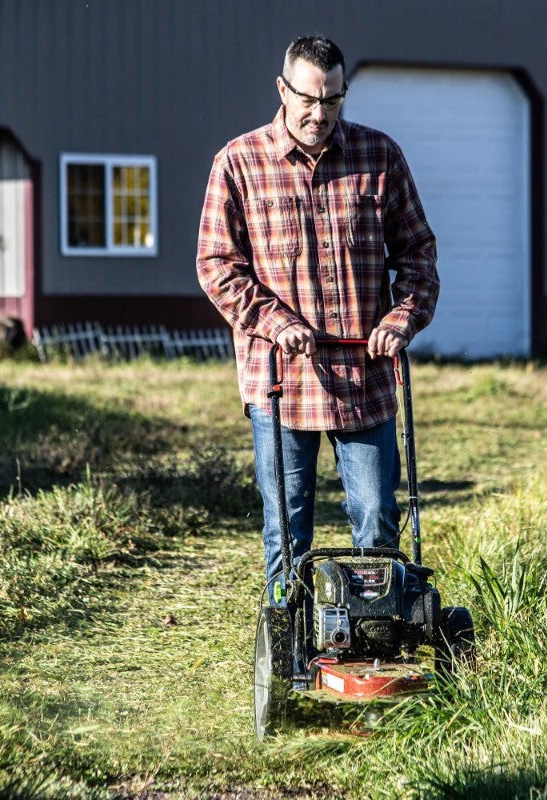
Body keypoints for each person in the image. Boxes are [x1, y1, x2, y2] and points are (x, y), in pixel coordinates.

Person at [196, 35, 439, 594]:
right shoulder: (238, 162)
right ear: (283, 90)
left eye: (332, 100)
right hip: (280, 381)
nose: (319, 113)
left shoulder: (380, 157)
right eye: (308, 98)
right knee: (288, 529)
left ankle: (373, 637)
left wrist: (403, 317)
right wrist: (275, 321)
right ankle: (288, 640)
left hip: (366, 376)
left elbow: (419, 253)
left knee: (378, 523)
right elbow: (216, 266)